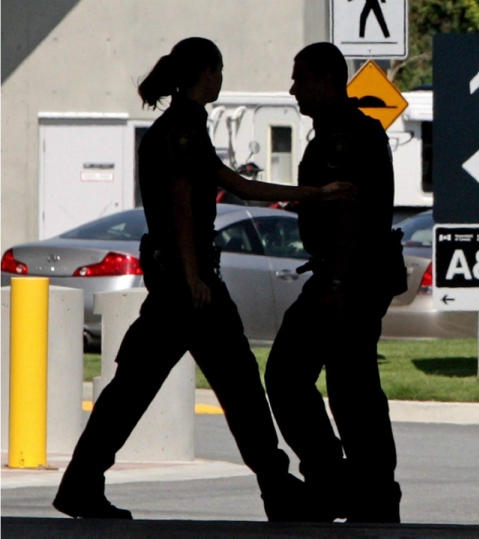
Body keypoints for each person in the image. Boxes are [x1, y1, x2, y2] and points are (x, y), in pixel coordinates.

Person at [52, 37, 353, 521]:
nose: (221, 79)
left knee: (138, 388)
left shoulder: (181, 128)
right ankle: (277, 490)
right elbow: (181, 202)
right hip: (190, 290)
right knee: (236, 388)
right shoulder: (182, 130)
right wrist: (194, 276)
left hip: (180, 287)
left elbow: (239, 185)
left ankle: (82, 483)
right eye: (219, 70)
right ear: (206, 74)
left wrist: (314, 193)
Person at [264, 42, 406, 523]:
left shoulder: (343, 137)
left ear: (326, 80)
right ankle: (359, 487)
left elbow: (349, 211)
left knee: (312, 379)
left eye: (300, 78)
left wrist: (336, 285)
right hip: (347, 275)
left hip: (350, 277)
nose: (293, 89)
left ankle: (349, 485)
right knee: (347, 383)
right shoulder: (337, 131)